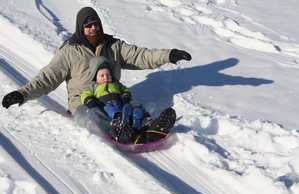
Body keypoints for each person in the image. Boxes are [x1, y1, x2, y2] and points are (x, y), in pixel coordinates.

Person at [1, 7, 191, 138]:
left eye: (96, 24)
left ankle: (148, 125)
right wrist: (22, 93)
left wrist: (169, 55)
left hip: (113, 95)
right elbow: (48, 77)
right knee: (93, 115)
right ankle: (118, 129)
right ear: (81, 28)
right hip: (85, 101)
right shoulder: (70, 51)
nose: (93, 28)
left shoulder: (113, 45)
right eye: (88, 25)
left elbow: (140, 55)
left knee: (132, 107)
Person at [80, 56, 150, 143]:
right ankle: (118, 126)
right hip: (104, 106)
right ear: (95, 77)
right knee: (105, 110)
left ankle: (142, 122)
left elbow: (125, 89)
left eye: (108, 75)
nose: (106, 77)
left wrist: (125, 94)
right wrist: (89, 99)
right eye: (102, 75)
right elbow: (84, 94)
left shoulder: (116, 84)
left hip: (121, 104)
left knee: (133, 107)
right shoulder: (93, 86)